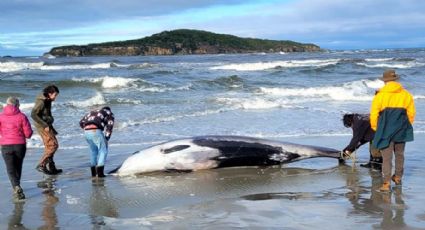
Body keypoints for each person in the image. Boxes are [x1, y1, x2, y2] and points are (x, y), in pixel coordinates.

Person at [370, 69, 415, 192]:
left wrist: (375, 128)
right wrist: (405, 125)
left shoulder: (380, 95)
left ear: (385, 81)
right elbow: (411, 114)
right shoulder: (406, 94)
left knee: (387, 158)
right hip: (401, 128)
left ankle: (386, 183)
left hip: (385, 130)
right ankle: (398, 177)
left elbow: (373, 114)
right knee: (400, 154)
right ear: (396, 80)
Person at [0, 97, 33, 202]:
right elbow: (28, 134)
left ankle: (16, 187)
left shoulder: (1, 117)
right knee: (18, 166)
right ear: (17, 105)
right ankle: (17, 186)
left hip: (6, 145)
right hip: (20, 145)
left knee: (10, 168)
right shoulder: (22, 116)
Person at [31, 85, 62, 175]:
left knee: (50, 145)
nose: (55, 97)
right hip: (42, 126)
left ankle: (51, 167)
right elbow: (33, 114)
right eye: (55, 95)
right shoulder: (41, 102)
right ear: (49, 93)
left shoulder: (48, 100)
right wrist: (44, 125)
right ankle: (41, 165)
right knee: (53, 146)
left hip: (47, 125)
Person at [79, 106, 114, 177]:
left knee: (93, 152)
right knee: (103, 151)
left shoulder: (92, 112)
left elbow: (81, 122)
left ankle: (93, 173)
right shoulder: (109, 113)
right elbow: (110, 126)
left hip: (86, 132)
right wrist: (106, 138)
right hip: (96, 131)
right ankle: (100, 173)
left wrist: (87, 129)